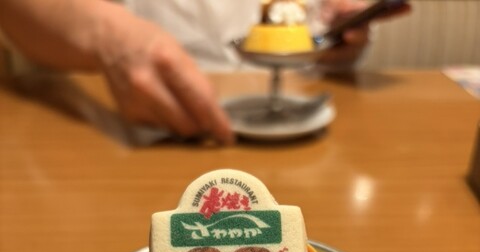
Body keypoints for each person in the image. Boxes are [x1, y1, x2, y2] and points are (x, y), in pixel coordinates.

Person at [0, 0, 410, 144]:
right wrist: (107, 35)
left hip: (307, 126)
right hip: (159, 131)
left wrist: (341, 31)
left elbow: (321, 16)